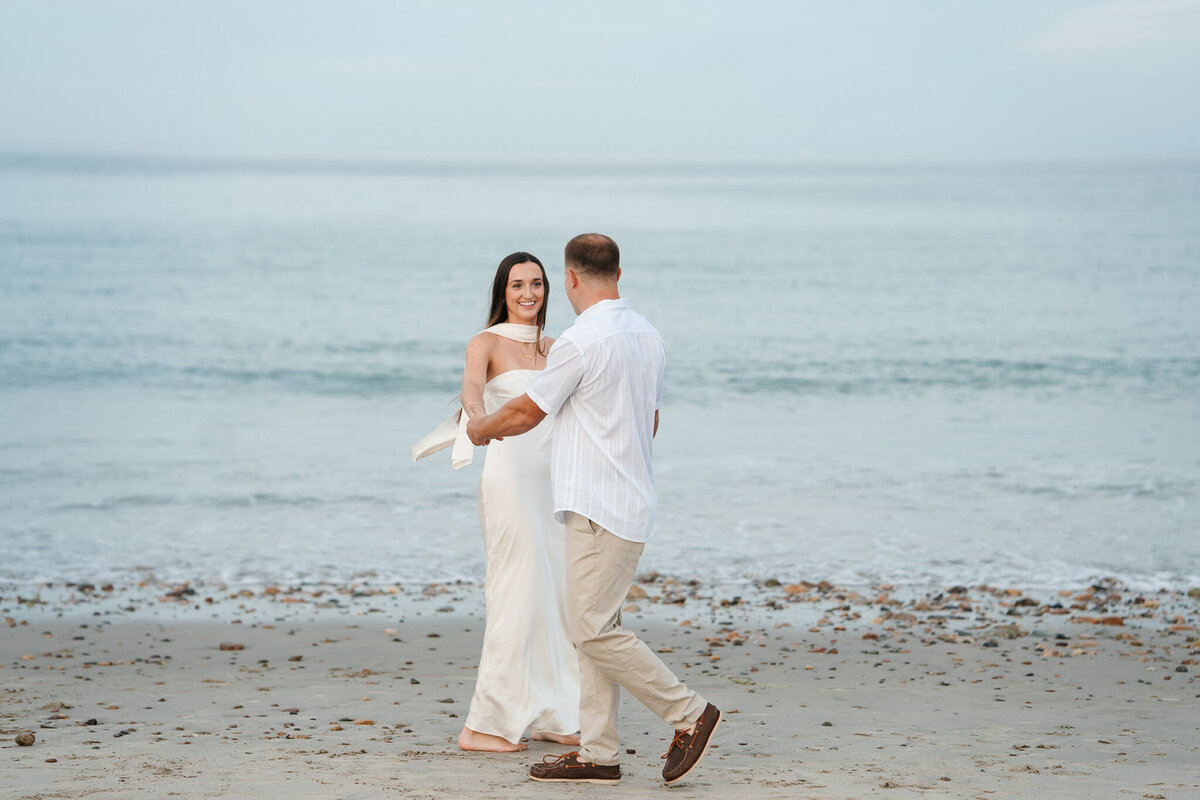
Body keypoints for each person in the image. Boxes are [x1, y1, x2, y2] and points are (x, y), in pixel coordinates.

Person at [467, 233, 722, 785]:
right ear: (619, 274)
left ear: (571, 279)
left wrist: (480, 428)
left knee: (590, 630)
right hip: (633, 501)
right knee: (598, 624)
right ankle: (598, 753)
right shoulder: (649, 336)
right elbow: (650, 421)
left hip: (594, 505)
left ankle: (688, 712)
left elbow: (527, 413)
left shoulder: (579, 342)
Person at [451, 252, 581, 752]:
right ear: (502, 293)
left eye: (538, 284)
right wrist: (478, 418)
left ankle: (555, 713)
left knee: (556, 597)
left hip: (554, 487)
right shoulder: (486, 342)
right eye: (517, 285)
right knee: (516, 593)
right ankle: (483, 726)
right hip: (508, 480)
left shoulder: (558, 348)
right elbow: (470, 389)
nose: (529, 294)